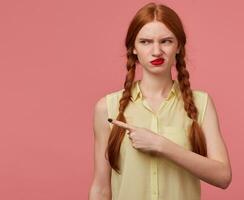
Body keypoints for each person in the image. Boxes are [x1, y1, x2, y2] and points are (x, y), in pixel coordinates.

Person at [88, 2, 232, 200]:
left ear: (179, 46)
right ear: (134, 48)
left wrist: (161, 145)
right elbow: (101, 188)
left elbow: (223, 176)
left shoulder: (201, 103)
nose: (156, 51)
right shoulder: (106, 108)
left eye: (166, 41)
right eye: (146, 42)